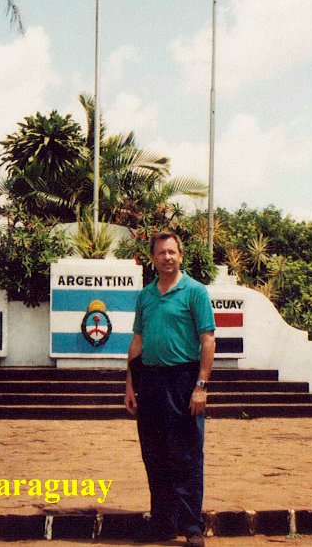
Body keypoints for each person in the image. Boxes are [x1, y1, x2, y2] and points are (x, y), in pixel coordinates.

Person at [125, 231, 216, 546]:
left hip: (184, 380)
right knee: (155, 453)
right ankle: (162, 523)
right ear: (152, 258)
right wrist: (130, 385)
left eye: (172, 252)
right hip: (150, 381)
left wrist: (200, 386)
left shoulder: (195, 292)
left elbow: (208, 340)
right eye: (161, 253)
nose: (167, 257)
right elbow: (137, 341)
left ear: (181, 255)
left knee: (187, 454)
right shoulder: (145, 296)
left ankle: (192, 526)